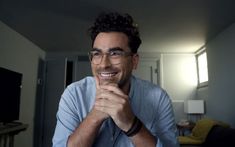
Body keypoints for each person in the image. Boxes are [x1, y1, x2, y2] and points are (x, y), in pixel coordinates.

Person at [52, 12, 179, 147]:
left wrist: (131, 124)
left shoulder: (158, 98)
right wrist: (95, 116)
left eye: (115, 53)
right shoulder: (73, 94)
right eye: (97, 54)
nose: (104, 64)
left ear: (134, 61)